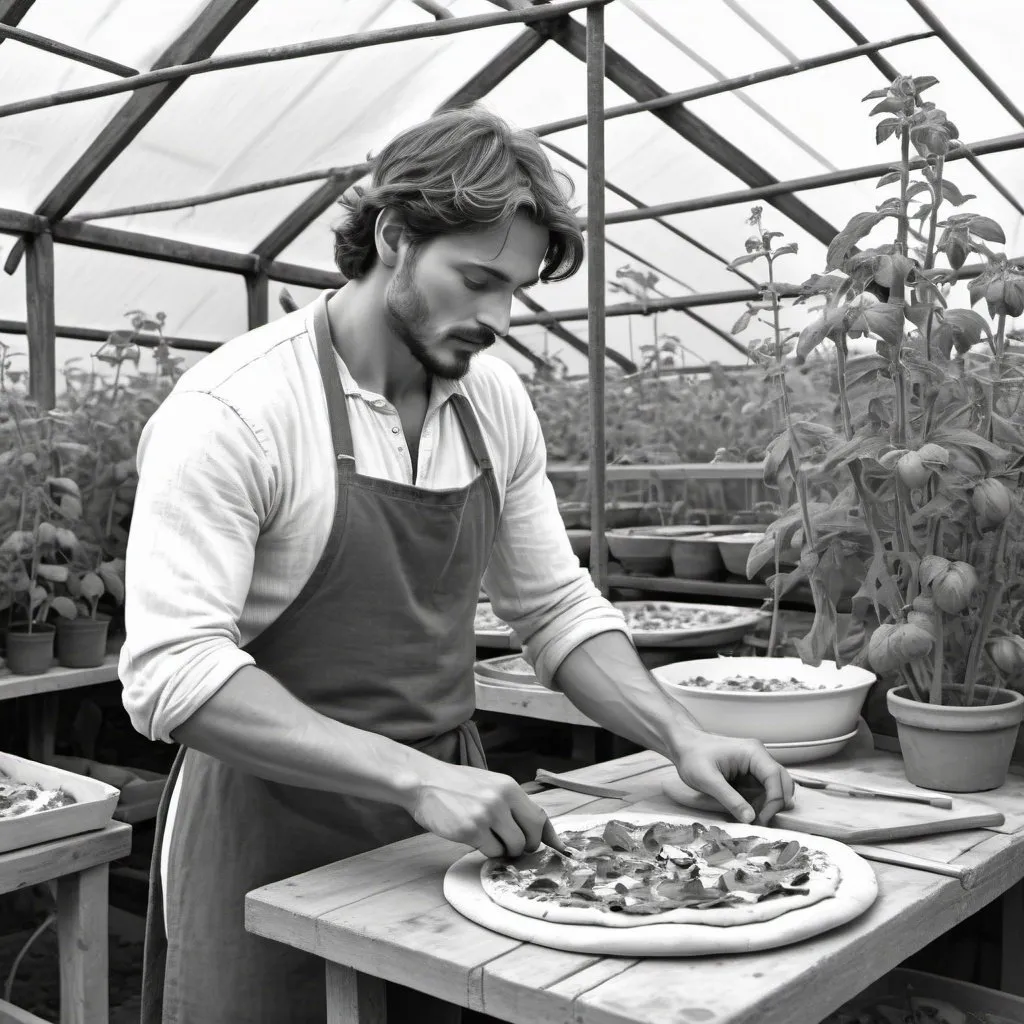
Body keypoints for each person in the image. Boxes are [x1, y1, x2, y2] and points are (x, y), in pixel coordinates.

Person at [120, 106, 794, 1024]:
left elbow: (553, 607)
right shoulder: (235, 413)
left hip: (461, 814)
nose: (497, 318)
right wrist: (414, 778)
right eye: (476, 279)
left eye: (514, 289)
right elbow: (173, 674)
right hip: (270, 820)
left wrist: (681, 737)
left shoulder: (493, 402)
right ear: (394, 237)